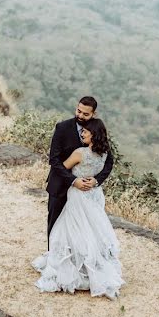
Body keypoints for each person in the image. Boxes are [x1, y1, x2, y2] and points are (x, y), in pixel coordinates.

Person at [32, 118, 124, 299]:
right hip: (94, 196)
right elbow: (105, 166)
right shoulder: (104, 153)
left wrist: (76, 180)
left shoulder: (80, 153)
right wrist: (93, 180)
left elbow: (62, 166)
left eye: (85, 132)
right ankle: (90, 266)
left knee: (70, 229)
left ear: (94, 134)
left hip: (78, 195)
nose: (81, 133)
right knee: (91, 230)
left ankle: (73, 267)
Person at [44, 96, 114, 247]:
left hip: (86, 194)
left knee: (83, 230)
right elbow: (54, 160)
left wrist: (96, 180)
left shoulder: (97, 130)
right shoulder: (62, 128)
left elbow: (109, 162)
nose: (80, 115)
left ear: (93, 114)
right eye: (78, 111)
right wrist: (73, 181)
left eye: (85, 114)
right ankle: (54, 260)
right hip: (60, 186)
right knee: (56, 225)